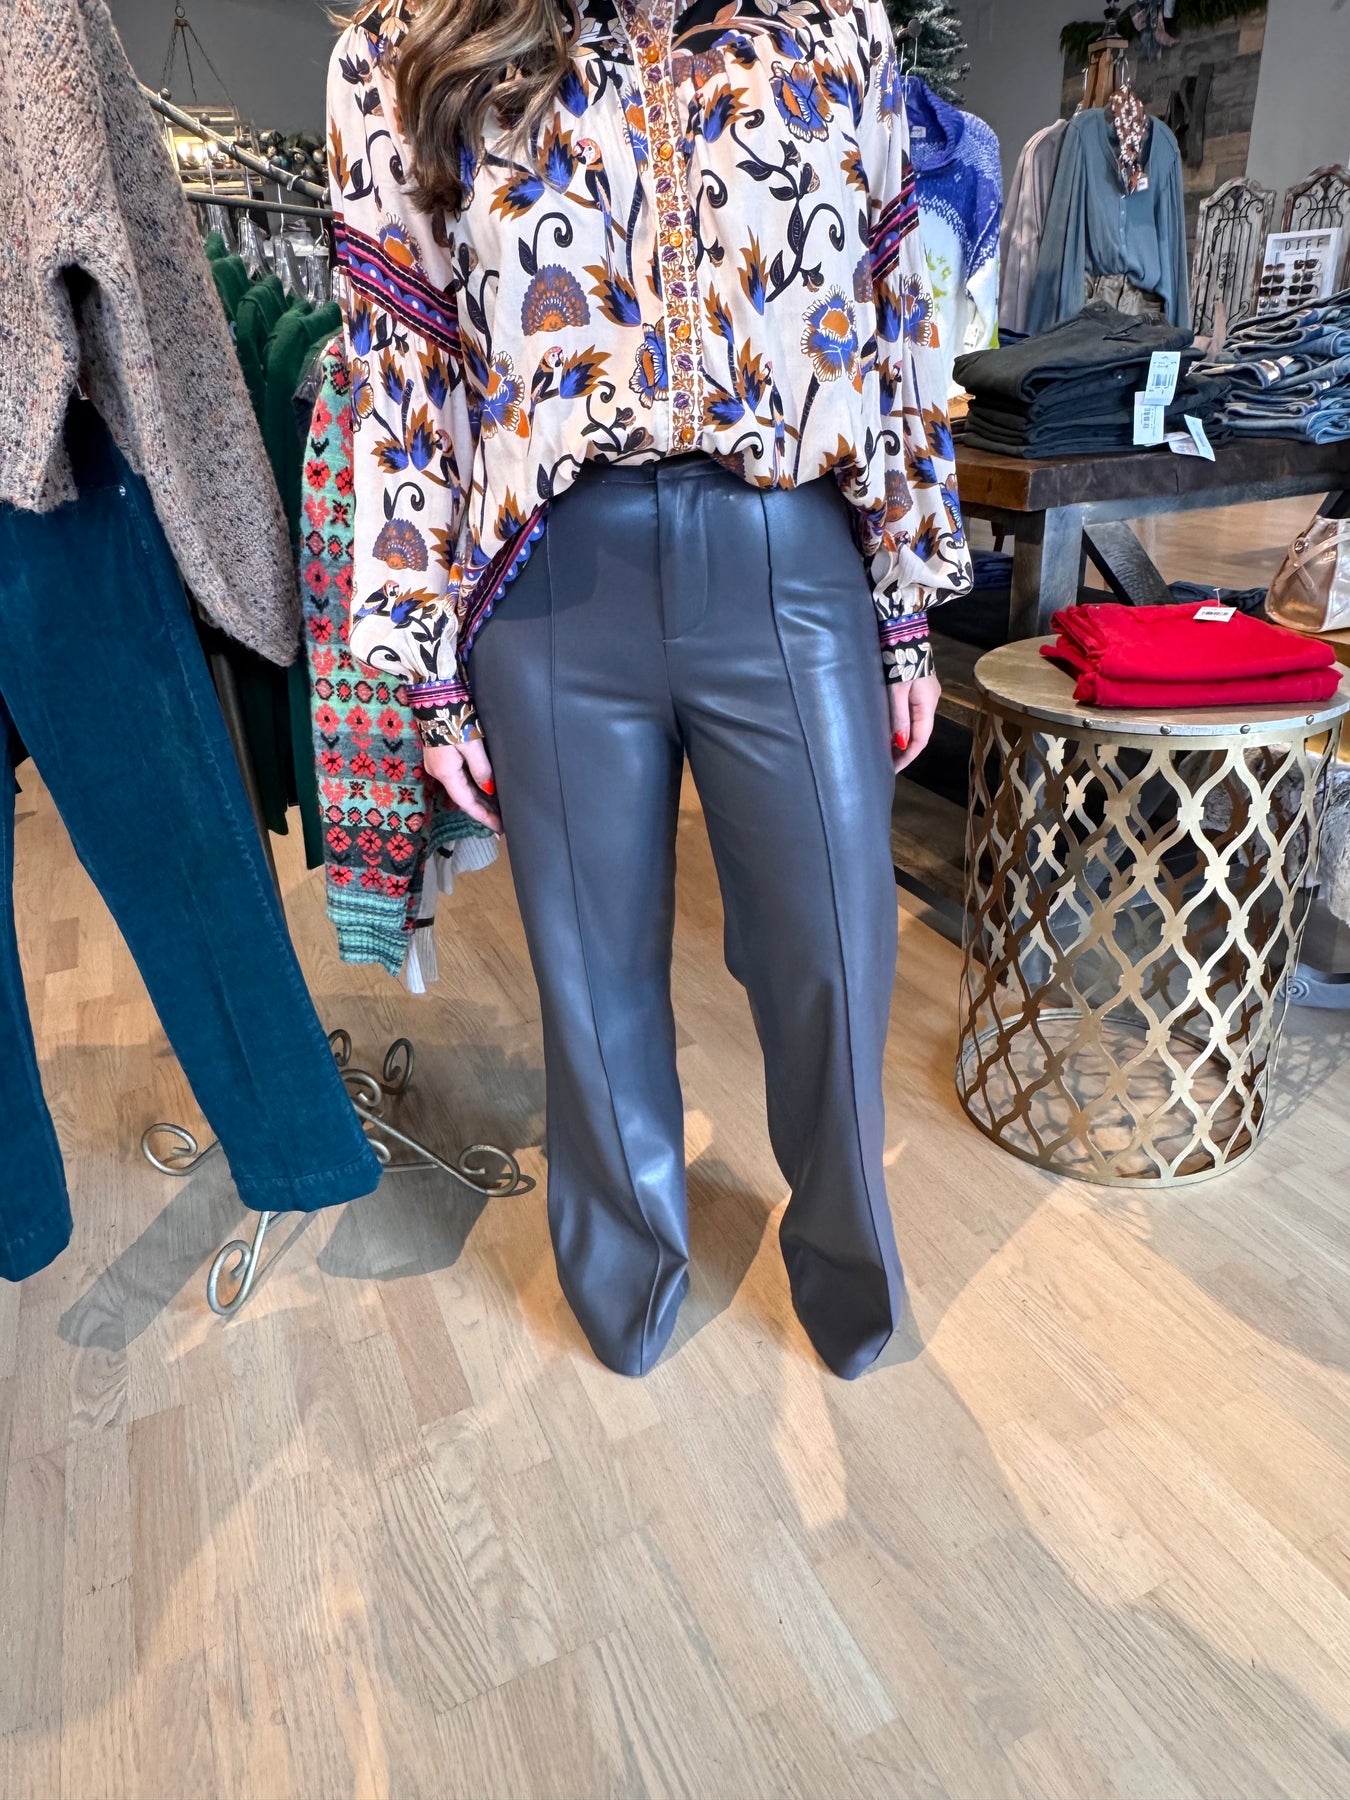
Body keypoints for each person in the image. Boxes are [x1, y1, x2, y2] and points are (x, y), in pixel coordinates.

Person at [327, 0, 970, 1378]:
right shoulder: (407, 47)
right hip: (553, 578)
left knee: (833, 951)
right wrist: (428, 670)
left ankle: (849, 1262)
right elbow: (401, 365)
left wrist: (904, 601)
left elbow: (891, 309)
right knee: (589, 967)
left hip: (790, 552)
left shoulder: (830, 25)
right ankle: (624, 1271)